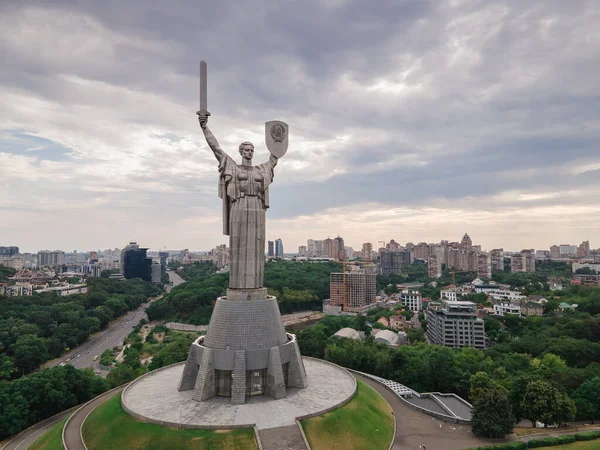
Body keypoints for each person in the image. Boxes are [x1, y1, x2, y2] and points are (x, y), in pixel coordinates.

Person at [198, 110, 278, 289]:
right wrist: (204, 127)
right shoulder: (234, 168)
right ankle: (238, 286)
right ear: (241, 152)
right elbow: (216, 148)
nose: (249, 152)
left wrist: (278, 141)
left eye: (252, 150)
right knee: (238, 244)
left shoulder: (260, 170)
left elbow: (274, 158)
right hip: (239, 205)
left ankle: (255, 286)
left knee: (257, 245)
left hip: (257, 207)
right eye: (246, 150)